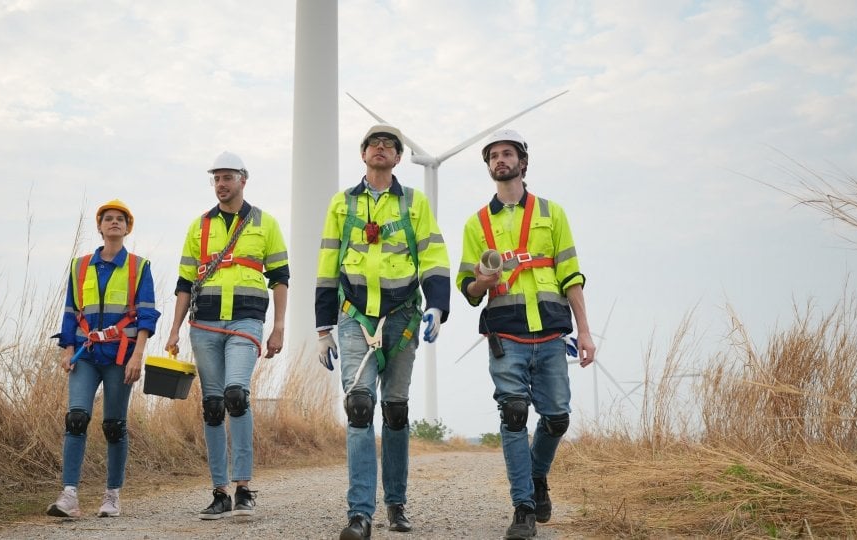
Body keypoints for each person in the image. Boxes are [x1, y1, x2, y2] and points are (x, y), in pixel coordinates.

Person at [455, 129, 596, 540]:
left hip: (551, 332)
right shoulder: (476, 223)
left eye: (507, 154)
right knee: (514, 414)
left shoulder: (553, 214)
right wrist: (482, 280)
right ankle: (523, 508)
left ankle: (536, 479)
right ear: (488, 168)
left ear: (523, 162)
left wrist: (584, 331)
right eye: (493, 156)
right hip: (506, 334)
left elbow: (571, 274)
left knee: (556, 417)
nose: (500, 160)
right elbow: (468, 289)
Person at [315, 123, 450, 539]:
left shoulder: (414, 202)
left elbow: (432, 253)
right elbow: (327, 263)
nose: (381, 148)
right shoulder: (342, 204)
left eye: (390, 145)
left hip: (404, 316)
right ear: (363, 154)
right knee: (359, 406)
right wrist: (323, 328)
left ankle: (396, 502)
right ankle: (359, 514)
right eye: (374, 143)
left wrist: (438, 306)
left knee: (394, 410)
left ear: (398, 158)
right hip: (355, 316)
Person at [164, 151, 289, 521]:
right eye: (216, 178)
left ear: (243, 180)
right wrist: (173, 328)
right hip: (203, 325)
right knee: (213, 405)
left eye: (227, 177)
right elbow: (185, 283)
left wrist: (278, 327)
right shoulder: (198, 227)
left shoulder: (266, 224)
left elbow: (281, 278)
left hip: (246, 323)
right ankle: (219, 493)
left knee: (237, 395)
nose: (221, 184)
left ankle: (244, 489)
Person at [47, 199, 160, 519]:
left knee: (113, 425)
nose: (113, 223)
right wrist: (68, 349)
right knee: (76, 418)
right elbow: (70, 311)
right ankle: (69, 495)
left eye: (119, 220)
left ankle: (112, 495)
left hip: (120, 356)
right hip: (85, 354)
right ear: (99, 227)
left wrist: (138, 355)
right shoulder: (79, 266)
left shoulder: (140, 266)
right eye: (107, 219)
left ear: (127, 228)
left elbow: (147, 316)